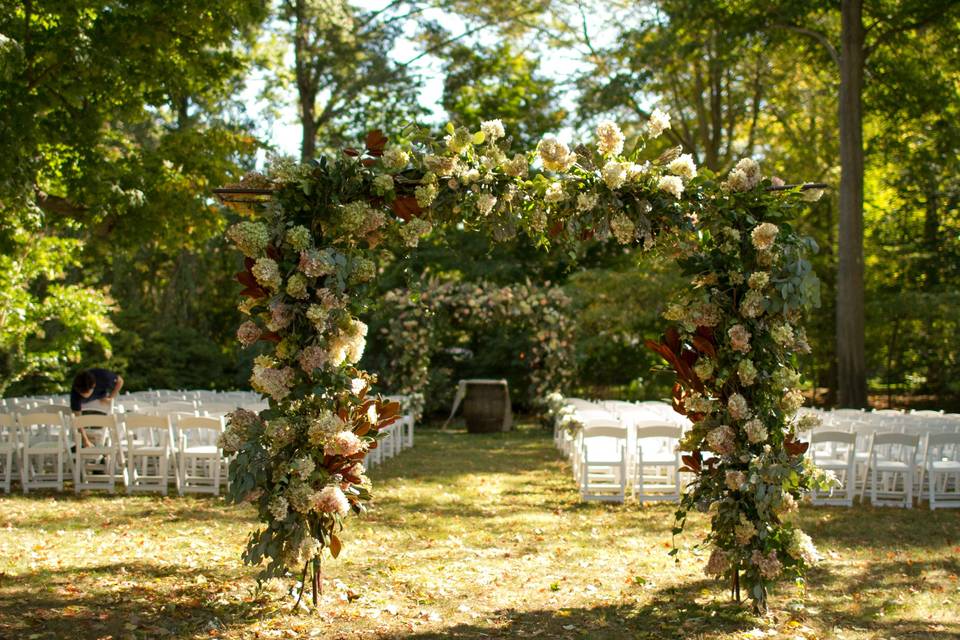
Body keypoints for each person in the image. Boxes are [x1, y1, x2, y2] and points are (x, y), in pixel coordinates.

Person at [70, 368, 124, 447]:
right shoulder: (75, 393)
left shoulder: (105, 377)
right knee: (74, 425)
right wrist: (86, 441)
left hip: (104, 403)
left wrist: (111, 397)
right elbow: (78, 420)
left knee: (118, 419)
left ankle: (112, 447)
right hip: (85, 411)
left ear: (94, 386)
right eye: (81, 392)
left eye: (86, 392)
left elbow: (120, 381)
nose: (83, 395)